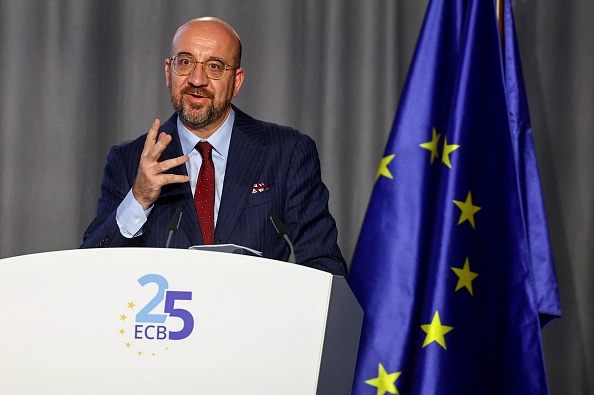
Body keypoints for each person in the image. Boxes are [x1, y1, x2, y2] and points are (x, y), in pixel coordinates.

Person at [81, 17, 346, 276]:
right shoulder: (128, 160)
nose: (197, 79)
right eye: (184, 62)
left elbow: (324, 266)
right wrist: (138, 199)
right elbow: (90, 272)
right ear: (168, 72)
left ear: (237, 82)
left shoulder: (287, 152)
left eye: (215, 66)